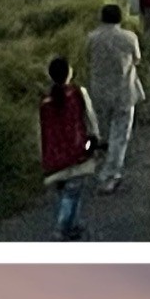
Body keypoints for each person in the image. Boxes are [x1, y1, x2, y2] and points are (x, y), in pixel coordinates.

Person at [39, 56, 101, 240]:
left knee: (65, 191)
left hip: (55, 155)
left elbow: (43, 131)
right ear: (69, 73)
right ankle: (62, 227)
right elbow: (90, 118)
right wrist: (95, 139)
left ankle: (72, 224)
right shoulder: (77, 93)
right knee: (73, 191)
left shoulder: (46, 102)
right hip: (76, 152)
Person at [84, 2, 144, 194]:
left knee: (104, 132)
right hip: (123, 92)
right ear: (120, 18)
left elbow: (87, 58)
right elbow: (137, 59)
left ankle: (100, 166)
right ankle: (111, 175)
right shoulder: (129, 37)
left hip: (99, 92)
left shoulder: (92, 38)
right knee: (120, 135)